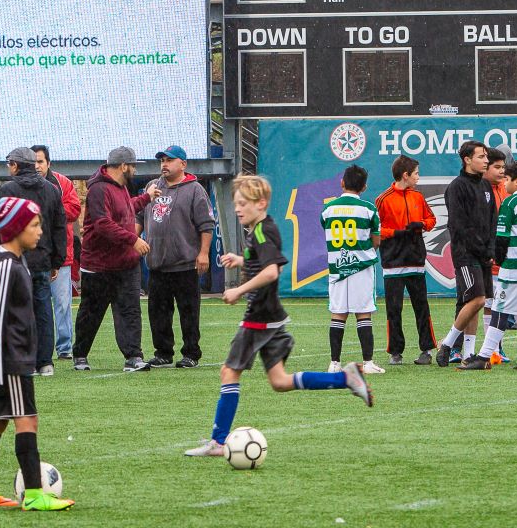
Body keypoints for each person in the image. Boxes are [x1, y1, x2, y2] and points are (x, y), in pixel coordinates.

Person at [184, 175, 373, 458]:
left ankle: (218, 441)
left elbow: (272, 271)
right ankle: (345, 378)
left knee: (228, 372)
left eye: (243, 203)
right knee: (280, 382)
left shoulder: (262, 230)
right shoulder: (260, 229)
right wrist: (242, 260)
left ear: (261, 204)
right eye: (236, 203)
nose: (238, 209)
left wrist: (238, 290)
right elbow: (266, 262)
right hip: (272, 317)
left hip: (259, 317)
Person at [0, 196, 73, 511]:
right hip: (8, 363)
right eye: (34, 225)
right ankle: (36, 495)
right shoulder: (6, 265)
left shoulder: (13, 260)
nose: (40, 231)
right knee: (28, 421)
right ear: (15, 229)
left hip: (11, 360)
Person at [73, 146, 154, 373]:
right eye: (134, 166)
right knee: (91, 313)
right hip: (99, 265)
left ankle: (133, 357)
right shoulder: (99, 189)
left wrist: (147, 197)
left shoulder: (120, 187)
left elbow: (127, 209)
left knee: (130, 311)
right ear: (123, 166)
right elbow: (103, 224)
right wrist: (133, 240)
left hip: (125, 265)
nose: (135, 170)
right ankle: (80, 354)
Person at [0, 146, 67, 376]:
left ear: (15, 165)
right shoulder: (52, 190)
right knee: (43, 309)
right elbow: (58, 227)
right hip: (41, 260)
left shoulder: (6, 190)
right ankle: (44, 362)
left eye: (9, 164)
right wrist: (57, 260)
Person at [469, 161, 517, 371]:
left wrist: (499, 260)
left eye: (507, 178)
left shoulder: (511, 203)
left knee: (500, 310)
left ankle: (484, 357)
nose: (504, 182)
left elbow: (502, 238)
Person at [142, 145, 216, 369]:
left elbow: (206, 225)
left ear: (182, 164)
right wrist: (132, 240)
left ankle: (191, 353)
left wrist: (203, 253)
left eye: (169, 160)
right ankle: (163, 353)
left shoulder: (195, 190)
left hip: (185, 264)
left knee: (189, 312)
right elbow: (139, 214)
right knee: (158, 313)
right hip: (157, 263)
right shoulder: (152, 187)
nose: (164, 164)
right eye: (162, 160)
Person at [319, 164, 384, 374]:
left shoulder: (328, 209)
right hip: (361, 267)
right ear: (364, 187)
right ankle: (368, 363)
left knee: (338, 314)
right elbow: (376, 240)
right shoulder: (368, 209)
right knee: (363, 313)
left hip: (338, 267)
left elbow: (326, 228)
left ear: (342, 183)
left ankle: (334, 363)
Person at [434, 141, 494, 367]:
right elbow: (459, 226)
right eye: (481, 157)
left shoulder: (486, 187)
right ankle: (448, 344)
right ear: (467, 160)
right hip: (466, 255)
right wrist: (481, 249)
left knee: (477, 302)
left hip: (483, 254)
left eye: (486, 156)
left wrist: (491, 249)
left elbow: (491, 220)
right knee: (476, 298)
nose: (486, 161)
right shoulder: (457, 186)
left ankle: (468, 353)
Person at [376, 156, 436, 366]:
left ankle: (426, 350)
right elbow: (376, 230)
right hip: (393, 263)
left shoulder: (418, 197)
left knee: (421, 307)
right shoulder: (383, 199)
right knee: (394, 309)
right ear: (405, 175)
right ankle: (395, 352)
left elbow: (432, 219)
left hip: (416, 261)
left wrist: (421, 224)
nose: (418, 177)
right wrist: (397, 233)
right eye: (417, 173)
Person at [35, 146, 82, 360]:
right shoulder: (23, 185)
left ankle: (64, 348)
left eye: (40, 162)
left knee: (62, 303)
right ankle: (38, 348)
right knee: (35, 304)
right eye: (34, 162)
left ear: (48, 163)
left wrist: (49, 210)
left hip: (61, 256)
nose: (37, 166)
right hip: (34, 257)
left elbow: (74, 209)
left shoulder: (63, 183)